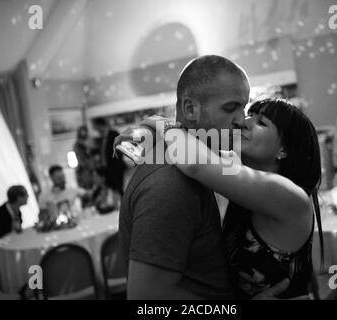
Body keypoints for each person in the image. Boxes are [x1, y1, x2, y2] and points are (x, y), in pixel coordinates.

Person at [118, 55, 303, 300]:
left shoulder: (205, 165)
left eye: (244, 109)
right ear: (190, 108)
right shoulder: (169, 185)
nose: (241, 121)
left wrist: (162, 126)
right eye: (230, 108)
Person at [92, 118, 127, 195]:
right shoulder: (101, 138)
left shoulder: (114, 134)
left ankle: (123, 205)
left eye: (96, 127)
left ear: (101, 125)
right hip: (106, 169)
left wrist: (113, 164)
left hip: (115, 168)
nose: (96, 130)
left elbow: (120, 151)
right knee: (111, 189)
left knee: (119, 189)